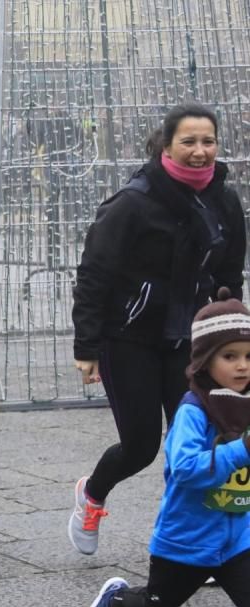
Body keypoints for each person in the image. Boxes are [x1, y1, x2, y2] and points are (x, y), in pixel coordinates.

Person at [69, 103, 247, 555]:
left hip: (190, 341)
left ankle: (196, 542)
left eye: (208, 141)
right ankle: (91, 494)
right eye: (188, 142)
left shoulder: (224, 199)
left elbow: (230, 273)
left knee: (197, 442)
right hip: (127, 337)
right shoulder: (134, 202)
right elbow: (94, 272)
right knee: (142, 445)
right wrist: (86, 345)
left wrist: (233, 335)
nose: (200, 151)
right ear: (166, 146)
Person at [82, 288, 250, 607]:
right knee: (157, 606)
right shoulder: (193, 411)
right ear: (205, 361)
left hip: (237, 541)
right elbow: (186, 470)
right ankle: (118, 601)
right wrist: (242, 449)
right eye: (230, 356)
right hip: (186, 541)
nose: (242, 366)